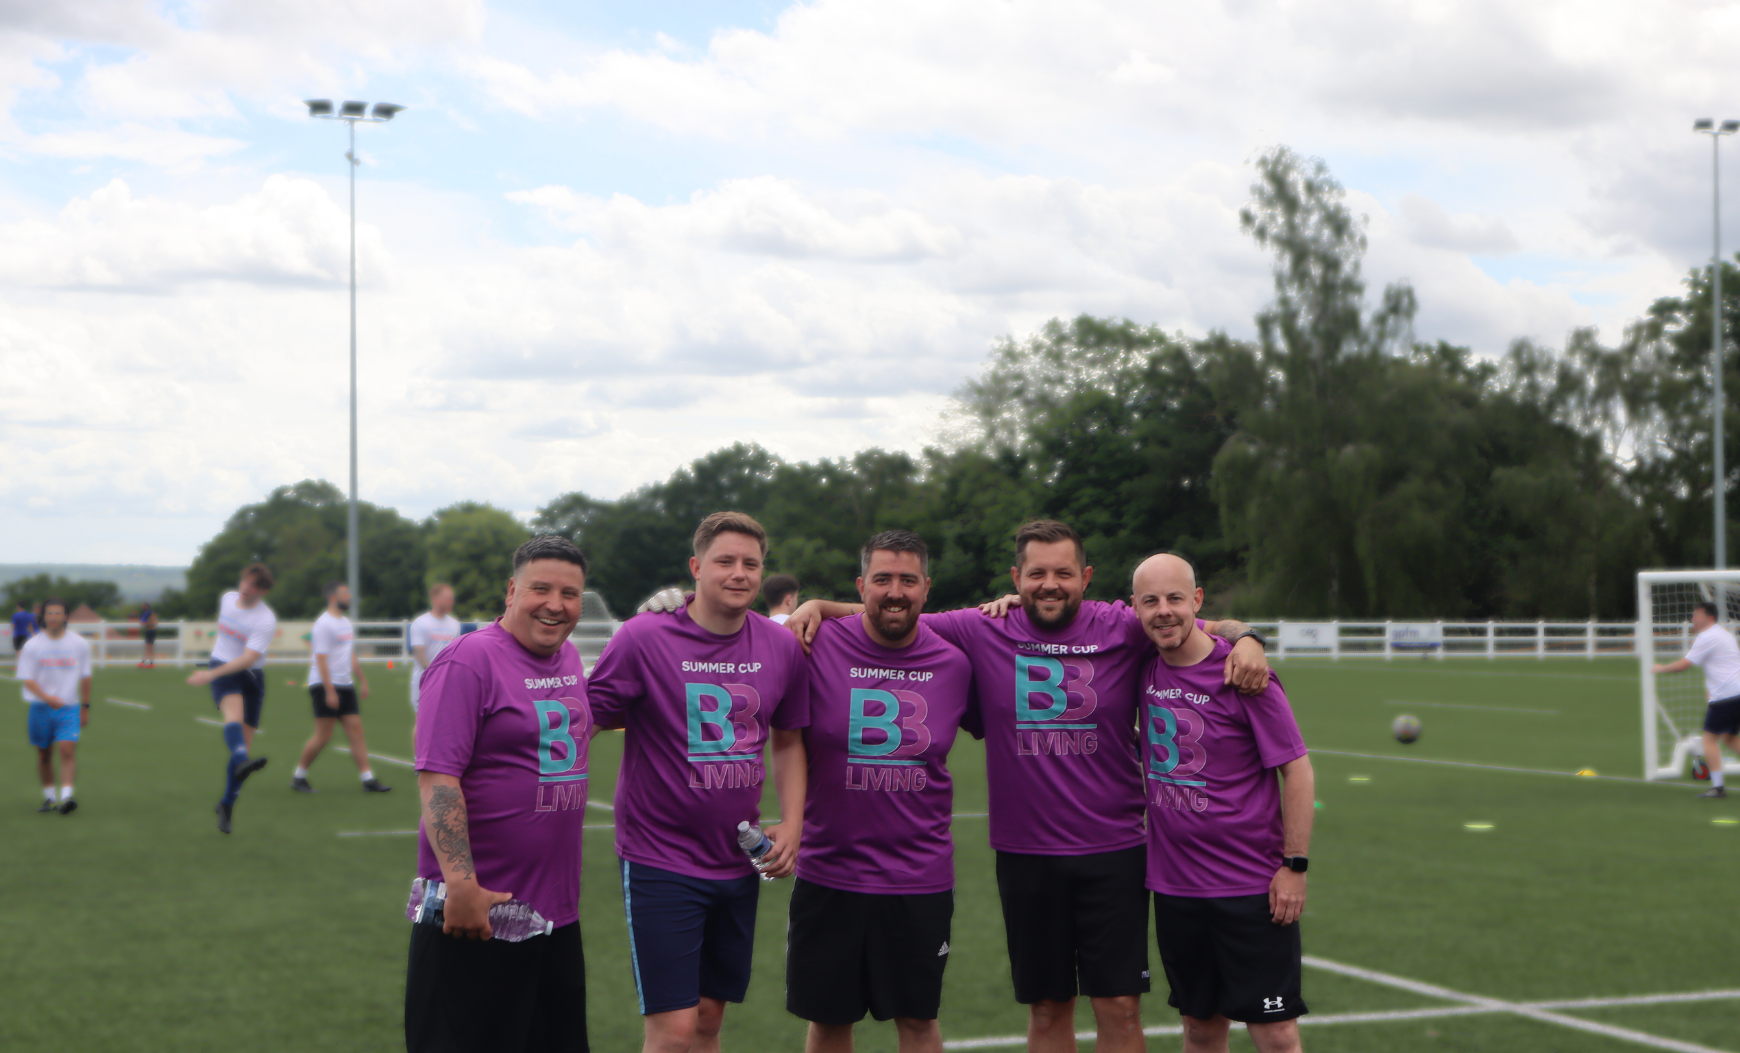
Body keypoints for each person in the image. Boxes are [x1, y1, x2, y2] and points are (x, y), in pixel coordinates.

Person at [788, 520, 1271, 1053]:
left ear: (1085, 577)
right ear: (1016, 578)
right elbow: (896, 611)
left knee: (1121, 1009)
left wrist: (1247, 637)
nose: (1050, 584)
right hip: (1025, 854)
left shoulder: (1123, 625)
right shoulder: (980, 627)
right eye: (1037, 573)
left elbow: (1189, 621)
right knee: (1046, 1010)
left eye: (1063, 573)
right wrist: (819, 607)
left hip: (1114, 851)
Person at [588, 511, 810, 1053]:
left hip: (736, 857)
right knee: (673, 1031)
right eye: (724, 561)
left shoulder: (779, 647)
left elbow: (787, 738)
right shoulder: (643, 637)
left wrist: (794, 824)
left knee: (709, 1019)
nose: (738, 573)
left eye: (750, 563)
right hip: (658, 857)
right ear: (695, 567)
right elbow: (586, 720)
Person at [407, 535, 593, 1053]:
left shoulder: (569, 656)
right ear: (512, 590)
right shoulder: (467, 661)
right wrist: (462, 886)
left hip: (554, 914)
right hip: (478, 915)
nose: (556, 604)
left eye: (570, 593)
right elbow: (438, 777)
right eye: (541, 588)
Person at [788, 531, 972, 1053]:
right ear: (860, 585)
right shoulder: (814, 641)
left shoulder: (956, 664)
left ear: (927, 588)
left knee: (917, 1022)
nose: (896, 592)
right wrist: (669, 610)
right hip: (829, 870)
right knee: (828, 1023)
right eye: (883, 579)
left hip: (919, 877)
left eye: (908, 580)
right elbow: (733, 634)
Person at [1132, 553, 1312, 1053]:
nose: (1163, 611)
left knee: (1275, 1035)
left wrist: (1294, 865)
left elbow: (1296, 769)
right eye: (1151, 601)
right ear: (1135, 608)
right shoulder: (1143, 669)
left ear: (1197, 601)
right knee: (1200, 1029)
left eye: (1175, 598)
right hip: (1175, 889)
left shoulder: (1245, 676)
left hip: (1250, 888)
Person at [185, 563, 276, 834]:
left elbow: (249, 658)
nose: (246, 588)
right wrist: (212, 674)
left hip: (251, 677)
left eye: (254, 586)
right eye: (245, 582)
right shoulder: (227, 599)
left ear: (263, 591)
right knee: (232, 716)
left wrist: (209, 675)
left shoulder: (265, 619)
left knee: (242, 753)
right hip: (223, 668)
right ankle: (241, 760)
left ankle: (226, 804)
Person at [292, 582, 389, 794]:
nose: (350, 596)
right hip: (324, 685)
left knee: (356, 731)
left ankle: (368, 779)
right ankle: (299, 777)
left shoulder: (345, 623)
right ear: (333, 598)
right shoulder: (323, 624)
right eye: (345, 593)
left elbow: (349, 654)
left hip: (346, 685)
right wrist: (329, 690)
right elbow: (321, 659)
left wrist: (362, 680)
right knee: (323, 736)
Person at [1651, 600, 1740, 799]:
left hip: (1726, 697)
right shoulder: (1724, 634)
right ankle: (1717, 787)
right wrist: (1711, 688)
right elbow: (1725, 664)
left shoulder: (1706, 636)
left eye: (1697, 615)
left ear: (1709, 618)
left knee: (1709, 739)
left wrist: (1660, 669)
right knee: (1729, 737)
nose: (1693, 619)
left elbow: (1684, 665)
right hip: (1735, 694)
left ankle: (1718, 788)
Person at [19, 597, 91, 814]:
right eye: (49, 613)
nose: (53, 617)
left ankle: (67, 797)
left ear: (66, 616)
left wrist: (85, 707)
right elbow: (27, 679)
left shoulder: (79, 644)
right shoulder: (32, 646)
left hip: (68, 708)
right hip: (41, 708)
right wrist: (47, 698)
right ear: (43, 616)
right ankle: (50, 797)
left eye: (58, 613)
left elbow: (85, 676)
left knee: (66, 750)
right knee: (44, 754)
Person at [409, 583, 462, 732]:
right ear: (436, 599)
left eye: (452, 599)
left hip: (447, 681)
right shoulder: (421, 623)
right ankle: (417, 756)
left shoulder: (454, 624)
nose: (451, 602)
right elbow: (419, 653)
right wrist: (434, 672)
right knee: (422, 725)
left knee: (444, 724)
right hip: (424, 681)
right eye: (447, 598)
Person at [138, 602, 158, 668]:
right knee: (148, 647)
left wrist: (147, 623)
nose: (142, 606)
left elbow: (155, 622)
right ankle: (149, 663)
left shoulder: (151, 613)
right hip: (148, 631)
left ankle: (144, 662)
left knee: (149, 647)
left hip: (151, 631)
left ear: (147, 606)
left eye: (143, 605)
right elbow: (142, 622)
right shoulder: (144, 613)